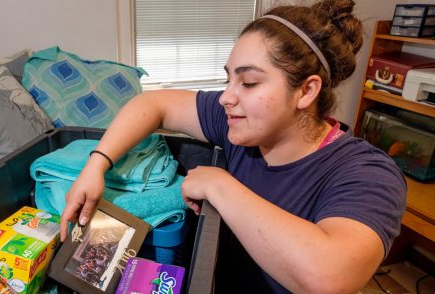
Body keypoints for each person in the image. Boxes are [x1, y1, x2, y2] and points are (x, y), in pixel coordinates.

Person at [60, 0, 407, 292]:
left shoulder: (367, 173)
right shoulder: (239, 123)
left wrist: (219, 184)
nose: (227, 97)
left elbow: (331, 276)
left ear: (306, 91)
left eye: (250, 81)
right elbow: (152, 104)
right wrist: (97, 163)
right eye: (229, 78)